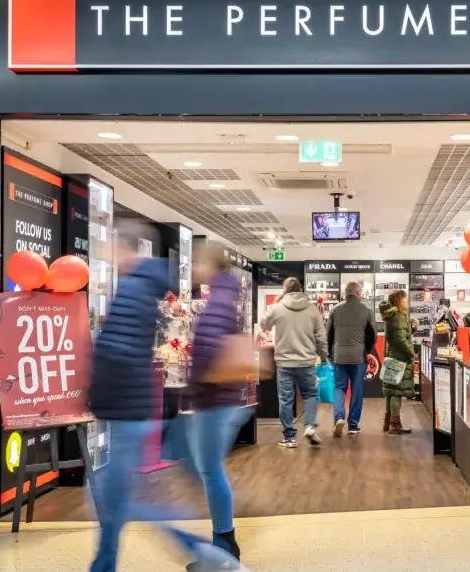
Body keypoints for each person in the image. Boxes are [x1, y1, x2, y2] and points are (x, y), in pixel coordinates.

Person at [87, 221, 216, 572]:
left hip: (125, 406)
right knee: (114, 496)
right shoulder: (143, 287)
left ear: (127, 248)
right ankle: (106, 564)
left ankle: (202, 553)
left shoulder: (131, 289)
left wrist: (95, 392)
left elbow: (118, 351)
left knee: (113, 497)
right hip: (130, 405)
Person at [188, 241, 255, 565]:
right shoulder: (228, 296)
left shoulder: (217, 302)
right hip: (222, 397)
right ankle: (223, 538)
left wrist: (193, 383)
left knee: (210, 471)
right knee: (208, 469)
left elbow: (208, 351)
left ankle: (224, 543)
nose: (194, 267)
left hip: (215, 399)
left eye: (198, 261)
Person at [260, 277, 328, 447]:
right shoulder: (312, 309)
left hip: (284, 363)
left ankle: (289, 437)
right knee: (310, 395)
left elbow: (264, 325)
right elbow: (321, 336)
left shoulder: (278, 307)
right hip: (306, 361)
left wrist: (274, 304)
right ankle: (310, 426)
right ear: (301, 289)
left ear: (285, 290)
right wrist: (324, 356)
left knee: (285, 399)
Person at [327, 281, 376, 437]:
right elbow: (372, 335)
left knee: (339, 388)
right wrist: (365, 351)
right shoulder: (367, 310)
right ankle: (353, 425)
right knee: (357, 390)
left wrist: (330, 353)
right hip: (358, 358)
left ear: (345, 293)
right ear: (358, 293)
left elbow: (328, 335)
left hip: (339, 356)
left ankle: (339, 417)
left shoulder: (335, 310)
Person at [379, 290, 417, 434]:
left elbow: (399, 336)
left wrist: (411, 329)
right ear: (399, 301)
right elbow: (401, 340)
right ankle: (395, 425)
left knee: (391, 391)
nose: (407, 302)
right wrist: (411, 353)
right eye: (405, 300)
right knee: (396, 392)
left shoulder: (392, 316)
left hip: (392, 356)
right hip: (400, 358)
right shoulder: (399, 317)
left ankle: (387, 422)